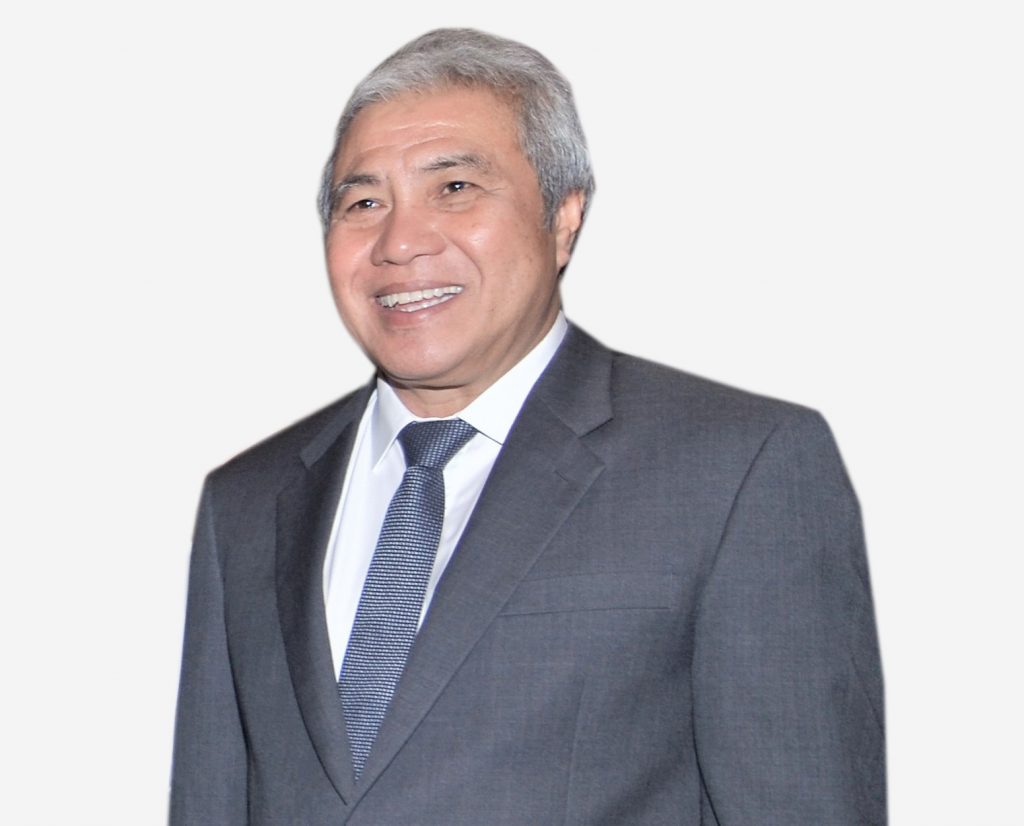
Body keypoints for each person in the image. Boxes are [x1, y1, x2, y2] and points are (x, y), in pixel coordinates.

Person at [170, 28, 886, 825]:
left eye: (454, 188)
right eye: (364, 202)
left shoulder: (738, 471)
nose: (400, 243)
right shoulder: (246, 501)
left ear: (563, 218)